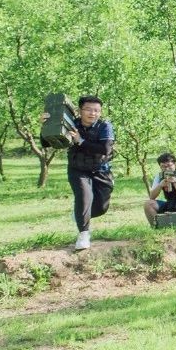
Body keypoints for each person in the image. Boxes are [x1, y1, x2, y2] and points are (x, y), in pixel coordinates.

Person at [62, 95, 115, 251]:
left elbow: (104, 149)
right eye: (88, 109)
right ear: (80, 110)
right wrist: (46, 125)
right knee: (84, 197)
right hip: (77, 169)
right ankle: (84, 234)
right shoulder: (71, 124)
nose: (93, 113)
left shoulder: (104, 126)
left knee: (101, 207)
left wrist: (80, 141)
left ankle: (80, 214)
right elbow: (47, 142)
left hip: (100, 169)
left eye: (97, 110)